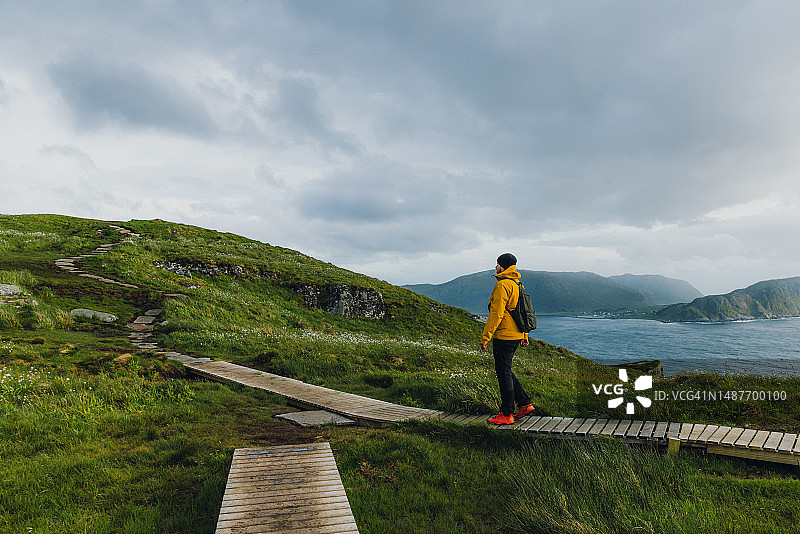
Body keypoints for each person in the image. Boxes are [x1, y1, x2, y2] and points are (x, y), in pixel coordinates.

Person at [480, 253, 535, 425]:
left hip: (504, 336)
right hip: (517, 335)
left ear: (503, 266)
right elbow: (523, 312)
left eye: (497, 265)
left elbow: (496, 314)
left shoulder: (502, 285)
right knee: (506, 371)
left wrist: (485, 337)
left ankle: (506, 414)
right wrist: (524, 335)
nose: (496, 267)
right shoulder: (518, 284)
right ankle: (525, 404)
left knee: (503, 373)